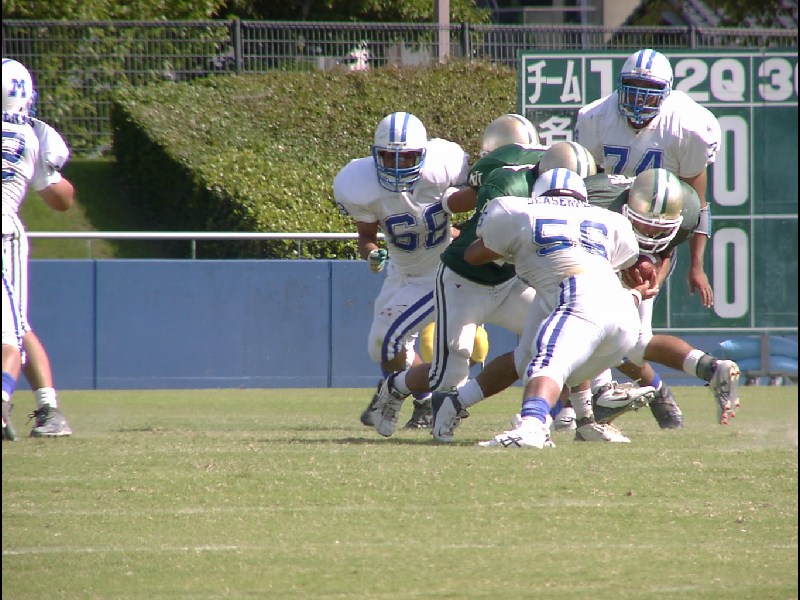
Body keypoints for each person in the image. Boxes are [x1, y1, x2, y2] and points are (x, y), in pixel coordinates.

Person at [367, 115, 552, 438]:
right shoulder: (505, 184)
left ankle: (551, 418)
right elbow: (469, 241)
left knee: (552, 340)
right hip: (466, 281)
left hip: (510, 282)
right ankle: (395, 387)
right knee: (448, 373)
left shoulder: (554, 184)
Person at [465, 168, 656, 449]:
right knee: (553, 362)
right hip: (623, 311)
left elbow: (473, 255)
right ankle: (591, 414)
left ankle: (532, 426)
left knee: (547, 362)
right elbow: (620, 263)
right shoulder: (610, 219)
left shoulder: (518, 210)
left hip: (577, 296)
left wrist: (513, 250)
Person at [333, 111, 470, 430]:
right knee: (381, 347)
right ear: (375, 155)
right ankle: (423, 401)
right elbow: (366, 237)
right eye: (389, 157)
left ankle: (402, 396)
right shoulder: (360, 183)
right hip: (401, 270)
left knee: (388, 338)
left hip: (440, 271)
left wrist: (460, 231)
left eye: (407, 157)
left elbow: (476, 202)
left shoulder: (442, 166)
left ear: (422, 154)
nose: (398, 165)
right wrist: (371, 254)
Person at [575, 48, 720, 310]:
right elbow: (588, 189)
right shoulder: (596, 117)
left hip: (655, 224)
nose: (639, 99)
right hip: (610, 213)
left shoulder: (686, 125)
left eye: (649, 91)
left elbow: (695, 207)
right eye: (633, 88)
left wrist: (696, 265)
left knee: (637, 308)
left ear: (665, 93)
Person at [2, 57, 74, 438]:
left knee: (15, 330)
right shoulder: (32, 135)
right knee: (15, 330)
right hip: (6, 232)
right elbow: (61, 200)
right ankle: (43, 408)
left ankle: (46, 408)